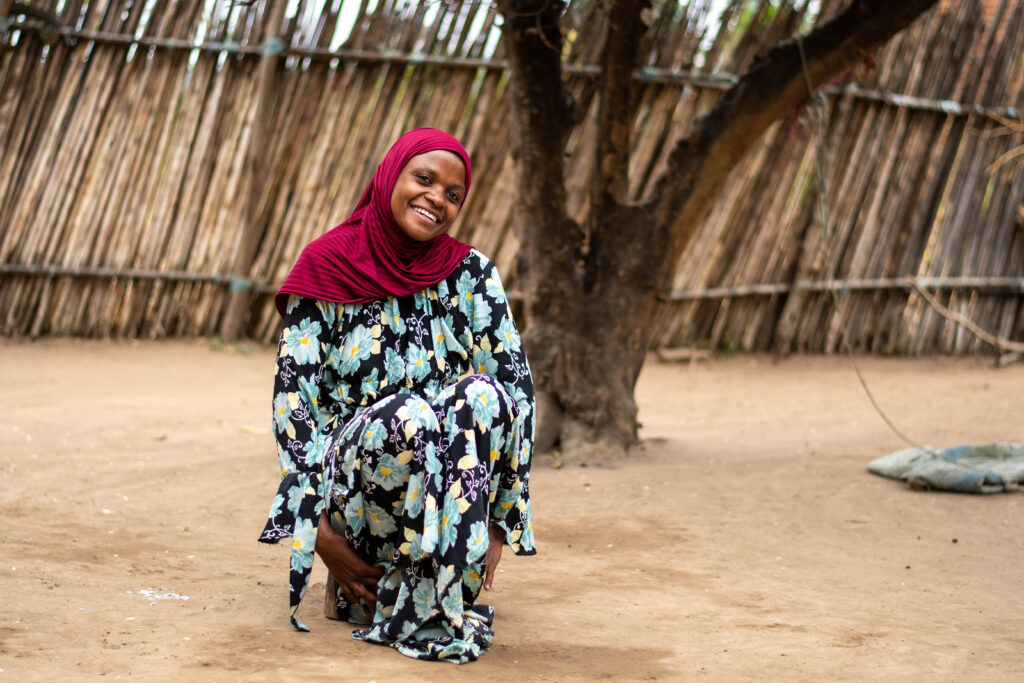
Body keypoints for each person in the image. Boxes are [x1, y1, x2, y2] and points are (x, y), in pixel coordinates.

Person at [258, 128, 535, 663]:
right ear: (391, 176)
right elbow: (294, 411)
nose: (437, 198)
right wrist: (321, 536)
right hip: (358, 501)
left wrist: (501, 521)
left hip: (450, 505)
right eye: (423, 179)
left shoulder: (472, 274)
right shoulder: (327, 263)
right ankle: (394, 591)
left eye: (453, 194)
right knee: (408, 414)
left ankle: (435, 587)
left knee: (483, 394)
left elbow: (517, 394)